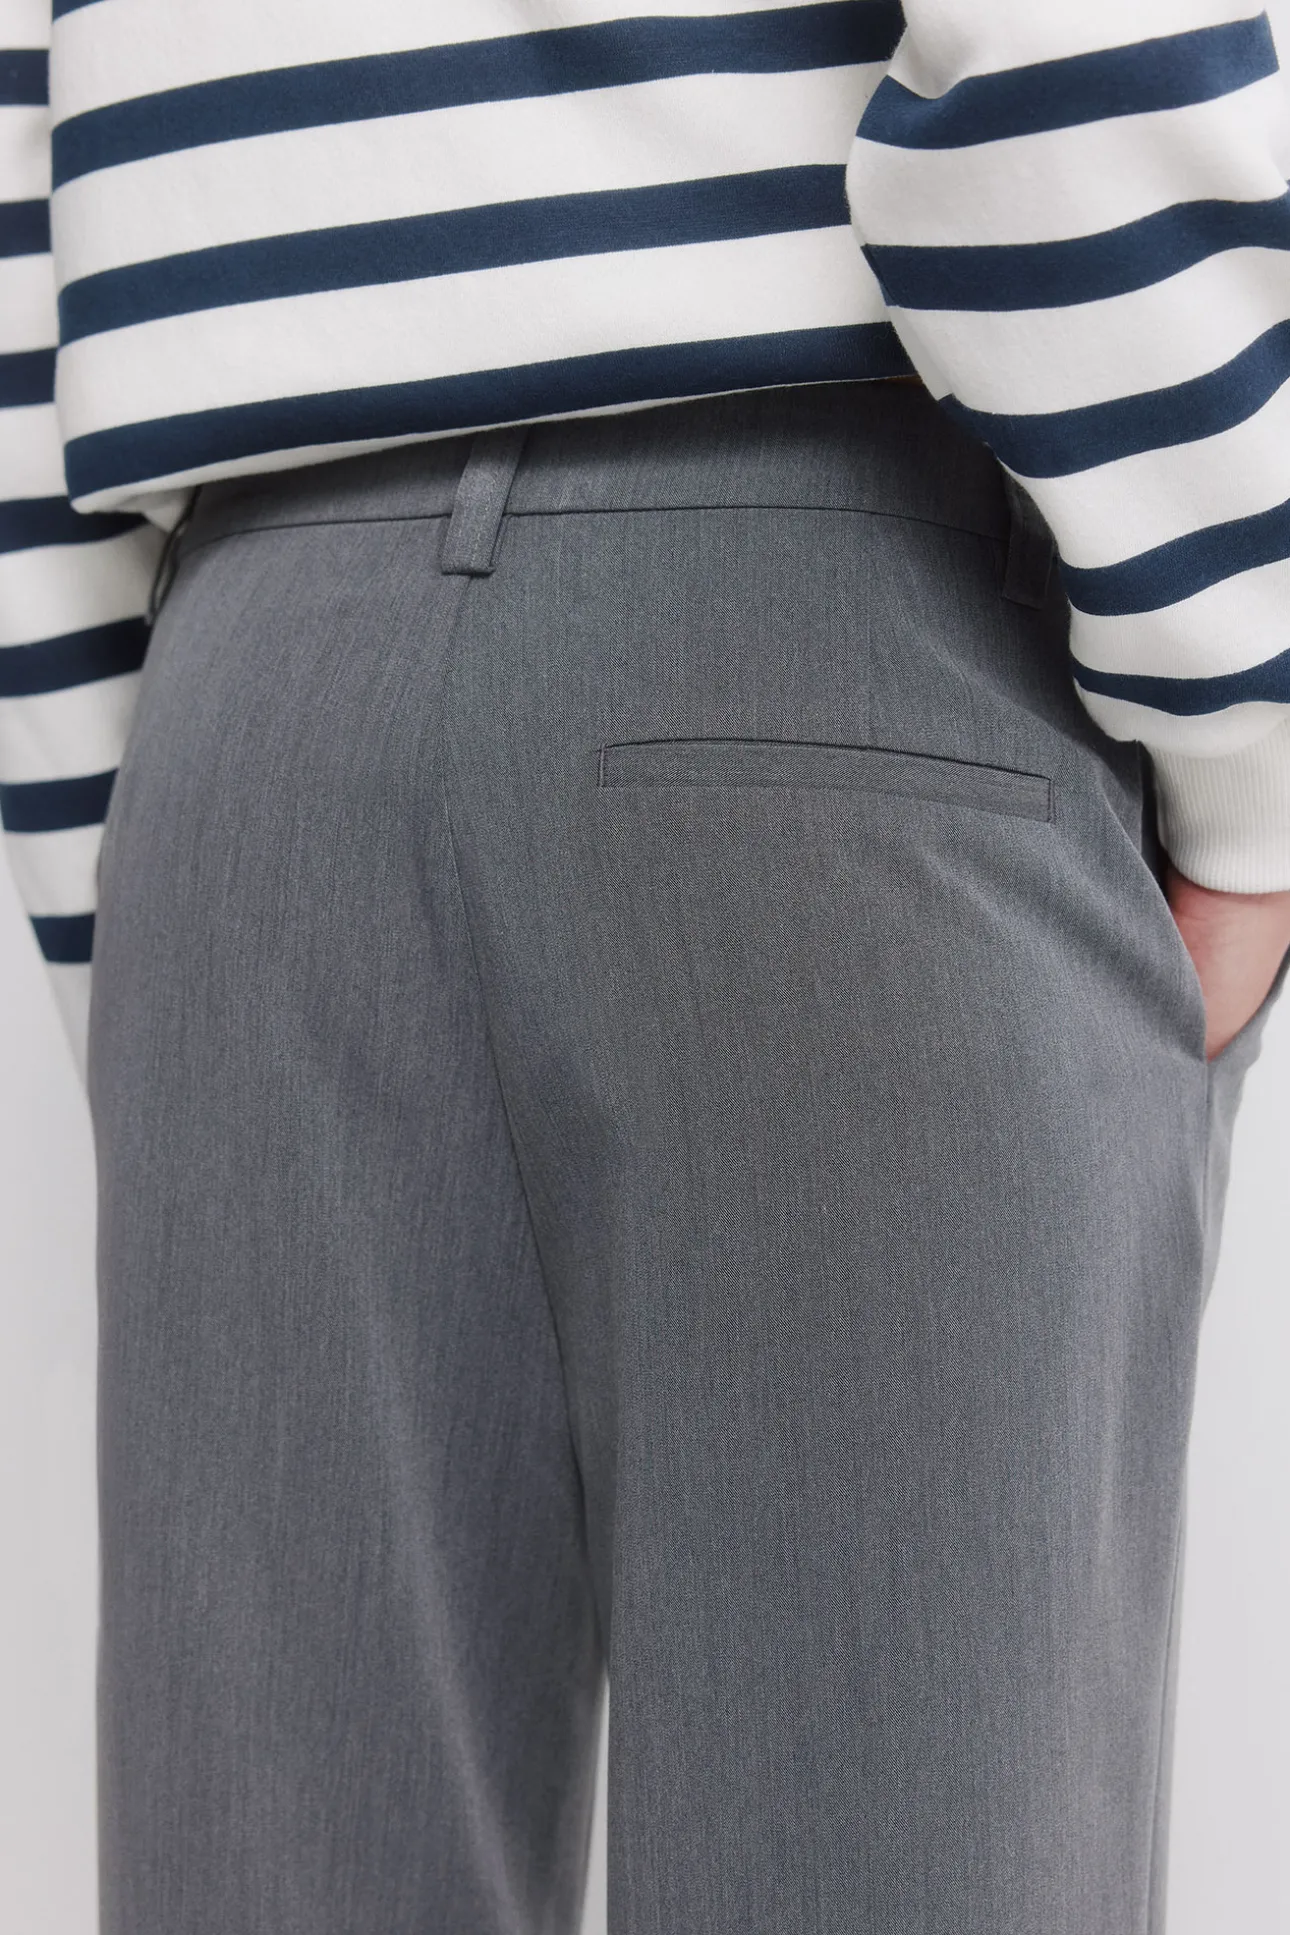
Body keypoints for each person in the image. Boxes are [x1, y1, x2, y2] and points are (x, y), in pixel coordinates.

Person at [3, 3, 1289, 1930]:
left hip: (251, 700)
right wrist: (1247, 735)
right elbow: (1071, 42)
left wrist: (128, 914)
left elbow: (28, 202)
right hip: (831, 659)